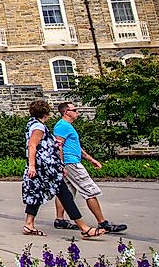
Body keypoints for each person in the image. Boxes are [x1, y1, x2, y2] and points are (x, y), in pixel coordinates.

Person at [21, 99, 104, 238]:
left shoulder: (32, 124)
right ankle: (84, 228)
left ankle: (29, 224)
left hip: (43, 167)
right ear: (46, 114)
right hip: (46, 168)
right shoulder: (39, 127)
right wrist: (32, 166)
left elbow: (40, 144)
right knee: (65, 195)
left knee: (36, 193)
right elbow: (32, 145)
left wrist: (53, 142)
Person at [52, 102, 127, 233]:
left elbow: (76, 147)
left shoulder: (67, 126)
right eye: (74, 110)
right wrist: (61, 164)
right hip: (71, 164)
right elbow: (58, 147)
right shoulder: (62, 126)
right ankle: (102, 222)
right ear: (66, 112)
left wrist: (91, 159)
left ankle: (60, 220)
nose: (77, 112)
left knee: (66, 193)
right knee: (90, 191)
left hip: (70, 162)